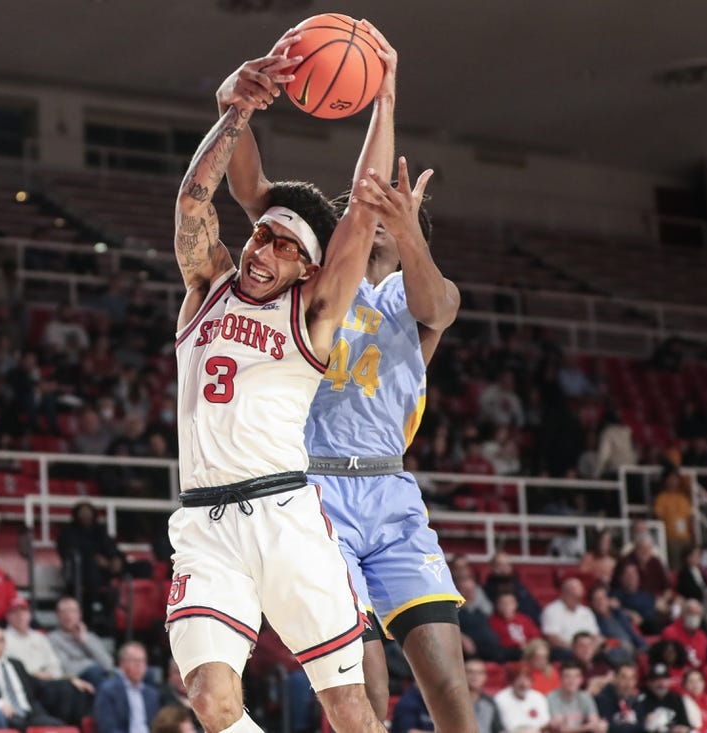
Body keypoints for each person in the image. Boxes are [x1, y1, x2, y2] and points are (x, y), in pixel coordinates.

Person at [222, 22, 465, 730]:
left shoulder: (416, 304)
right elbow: (253, 193)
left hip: (390, 490)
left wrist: (411, 230)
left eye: (399, 209)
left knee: (450, 684)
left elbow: (440, 302)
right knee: (365, 686)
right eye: (376, 209)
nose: (383, 212)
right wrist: (234, 108)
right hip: (314, 489)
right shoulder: (318, 283)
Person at [165, 28, 399, 733]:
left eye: (288, 246)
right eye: (264, 234)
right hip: (206, 524)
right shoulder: (209, 284)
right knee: (210, 701)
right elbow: (191, 207)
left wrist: (384, 98)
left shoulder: (317, 315)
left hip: (287, 519)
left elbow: (361, 210)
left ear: (309, 267)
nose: (265, 250)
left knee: (350, 709)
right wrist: (234, 109)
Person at [0, 628, 64, 731]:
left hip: (29, 710)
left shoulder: (17, 664)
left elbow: (35, 684)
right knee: (19, 724)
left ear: (4, 643)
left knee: (56, 724)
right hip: (7, 712)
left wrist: (66, 681)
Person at [47, 597, 114, 687]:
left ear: (79, 615)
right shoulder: (52, 638)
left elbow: (108, 664)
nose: (68, 616)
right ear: (58, 616)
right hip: (76, 678)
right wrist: (91, 664)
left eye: (72, 611)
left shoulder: (89, 636)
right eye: (64, 612)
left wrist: (85, 641)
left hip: (98, 674)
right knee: (97, 674)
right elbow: (65, 667)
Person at [92, 642, 158, 733]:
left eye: (142, 661)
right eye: (134, 661)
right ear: (122, 664)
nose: (139, 665)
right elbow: (107, 728)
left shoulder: (152, 694)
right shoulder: (108, 690)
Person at [540, 578, 601, 659]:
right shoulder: (552, 610)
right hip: (566, 650)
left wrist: (595, 645)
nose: (577, 599)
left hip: (588, 649)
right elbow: (552, 639)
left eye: (579, 597)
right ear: (564, 593)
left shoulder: (586, 611)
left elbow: (595, 635)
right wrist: (577, 649)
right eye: (574, 595)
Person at [546, 660, 607, 733]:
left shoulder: (585, 697)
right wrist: (587, 727)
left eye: (576, 677)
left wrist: (598, 726)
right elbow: (560, 729)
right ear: (560, 679)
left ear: (581, 680)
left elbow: (594, 721)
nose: (572, 681)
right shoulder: (552, 697)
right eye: (567, 676)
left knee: (602, 727)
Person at [637, 664, 691, 733]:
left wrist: (682, 729)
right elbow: (639, 727)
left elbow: (686, 725)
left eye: (664, 679)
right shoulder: (642, 700)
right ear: (649, 683)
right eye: (657, 680)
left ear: (669, 681)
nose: (661, 683)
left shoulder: (676, 699)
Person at [490, 591, 541, 661]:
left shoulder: (525, 619)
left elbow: (536, 637)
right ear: (497, 606)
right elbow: (496, 643)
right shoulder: (492, 622)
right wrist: (518, 646)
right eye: (503, 603)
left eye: (510, 603)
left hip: (528, 649)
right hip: (509, 651)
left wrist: (529, 646)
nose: (506, 606)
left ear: (516, 604)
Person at [594, 664, 644, 733]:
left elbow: (644, 725)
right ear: (615, 679)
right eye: (624, 678)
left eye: (632, 678)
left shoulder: (637, 700)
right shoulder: (603, 700)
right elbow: (607, 727)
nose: (628, 683)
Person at [464, 659, 506, 733]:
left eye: (479, 673)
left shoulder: (490, 702)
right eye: (470, 672)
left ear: (485, 677)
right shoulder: (453, 702)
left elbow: (499, 729)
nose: (474, 676)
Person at [680, 668, 707, 733]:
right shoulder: (680, 702)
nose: (695, 684)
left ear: (704, 683)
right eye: (691, 681)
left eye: (699, 680)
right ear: (684, 684)